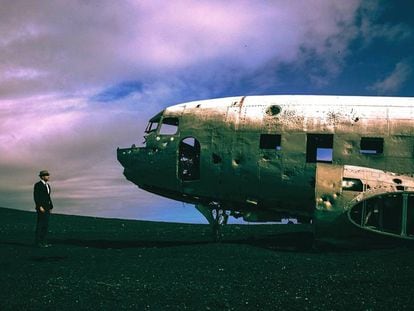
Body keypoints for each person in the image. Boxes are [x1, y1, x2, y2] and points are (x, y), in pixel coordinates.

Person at [34, 170, 54, 247]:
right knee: (40, 225)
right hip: (41, 208)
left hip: (47, 207)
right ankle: (38, 243)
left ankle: (44, 242)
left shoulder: (48, 185)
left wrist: (51, 206)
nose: (48, 176)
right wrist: (39, 206)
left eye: (48, 175)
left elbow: (48, 197)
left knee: (46, 225)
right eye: (46, 175)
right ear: (42, 177)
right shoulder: (38, 185)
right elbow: (36, 196)